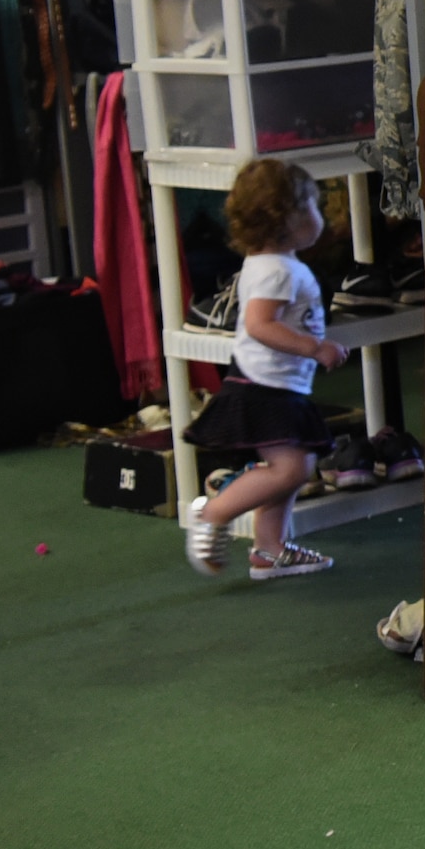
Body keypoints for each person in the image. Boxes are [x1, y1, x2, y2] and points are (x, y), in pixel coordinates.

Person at [182, 159, 348, 580]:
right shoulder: (277, 270)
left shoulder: (272, 263)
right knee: (292, 468)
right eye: (312, 206)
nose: (321, 215)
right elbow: (259, 325)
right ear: (284, 221)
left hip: (273, 384)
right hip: (264, 387)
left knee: (291, 465)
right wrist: (315, 347)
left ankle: (269, 550)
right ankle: (214, 513)